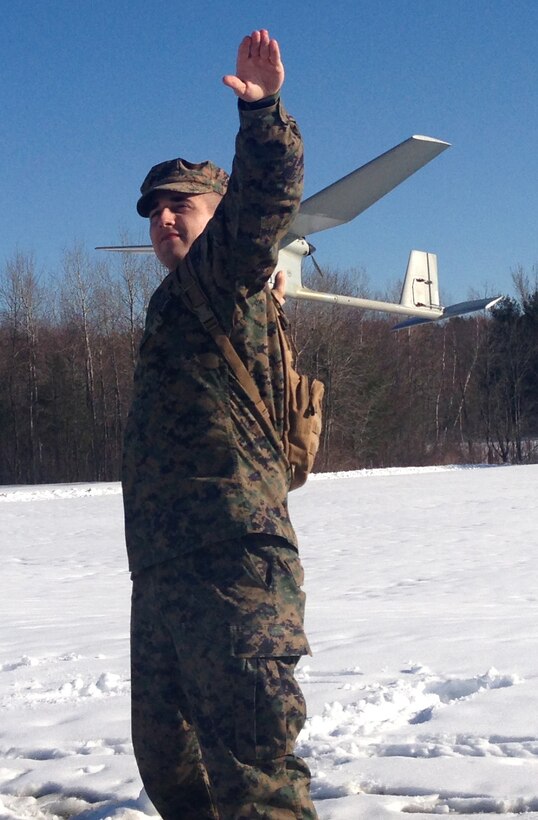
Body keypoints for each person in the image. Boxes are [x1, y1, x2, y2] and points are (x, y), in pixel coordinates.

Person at [121, 29, 318, 819]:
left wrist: (264, 111)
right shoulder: (166, 307)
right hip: (164, 571)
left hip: (236, 565)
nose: (165, 216)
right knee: (174, 771)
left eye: (182, 203)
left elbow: (268, 195)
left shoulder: (230, 272)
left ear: (218, 215)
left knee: (253, 773)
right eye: (155, 208)